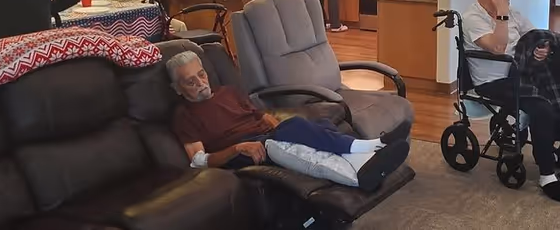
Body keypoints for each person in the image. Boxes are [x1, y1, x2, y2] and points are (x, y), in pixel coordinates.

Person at [167, 51, 410, 191]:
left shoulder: (228, 92)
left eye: (201, 74)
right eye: (190, 82)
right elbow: (198, 161)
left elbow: (263, 117)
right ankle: (367, 151)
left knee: (317, 128)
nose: (201, 84)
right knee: (295, 131)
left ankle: (365, 162)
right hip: (243, 151)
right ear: (177, 89)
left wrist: (280, 130)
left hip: (267, 137)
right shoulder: (183, 115)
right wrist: (238, 148)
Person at [462, 0, 560, 203]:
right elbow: (497, 48)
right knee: (543, 110)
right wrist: (502, 15)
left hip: (524, 73)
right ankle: (547, 174)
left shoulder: (513, 12)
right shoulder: (472, 18)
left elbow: (534, 35)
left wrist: (542, 49)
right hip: (494, 82)